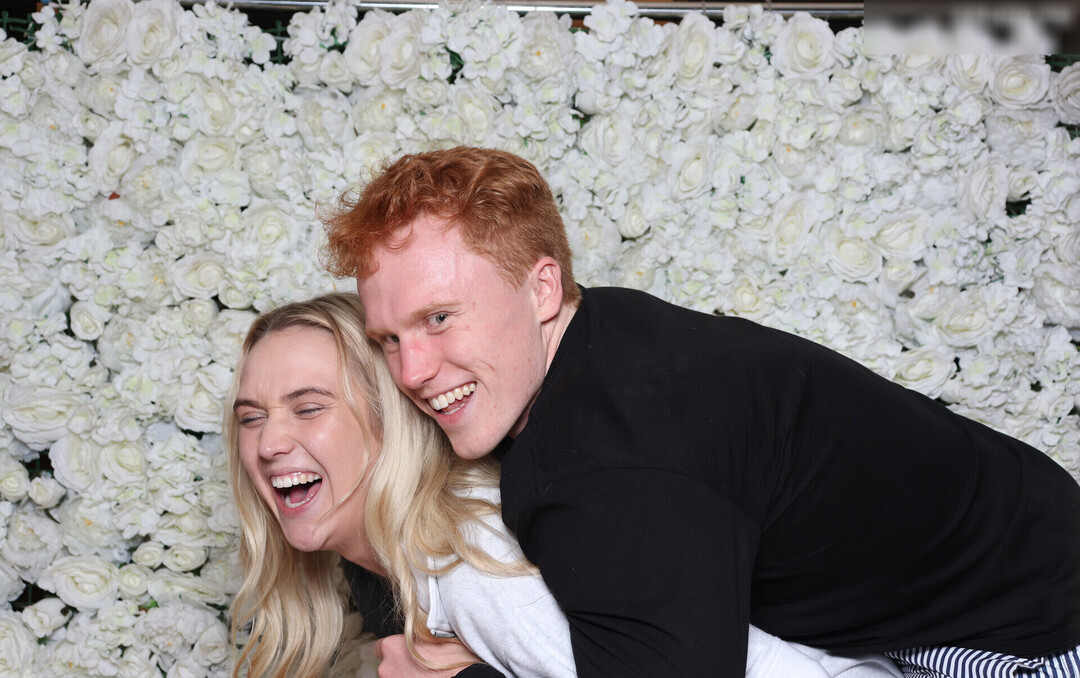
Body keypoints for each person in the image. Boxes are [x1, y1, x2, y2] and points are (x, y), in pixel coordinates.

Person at [321, 147, 1080, 678]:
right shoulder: (608, 337)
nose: (412, 371)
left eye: (440, 319)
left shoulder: (608, 467)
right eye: (389, 339)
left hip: (1027, 643)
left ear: (542, 289)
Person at [224, 293, 899, 678]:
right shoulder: (384, 571)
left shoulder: (473, 561)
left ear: (389, 422)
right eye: (251, 418)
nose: (269, 442)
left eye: (308, 408)